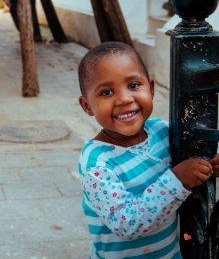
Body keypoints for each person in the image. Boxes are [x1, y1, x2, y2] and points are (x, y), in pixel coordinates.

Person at [77, 41, 214, 258]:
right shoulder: (96, 162)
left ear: (150, 89)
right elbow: (126, 224)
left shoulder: (162, 131)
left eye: (133, 86)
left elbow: (192, 157)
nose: (123, 99)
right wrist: (177, 180)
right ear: (87, 106)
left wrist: (209, 164)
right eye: (106, 92)